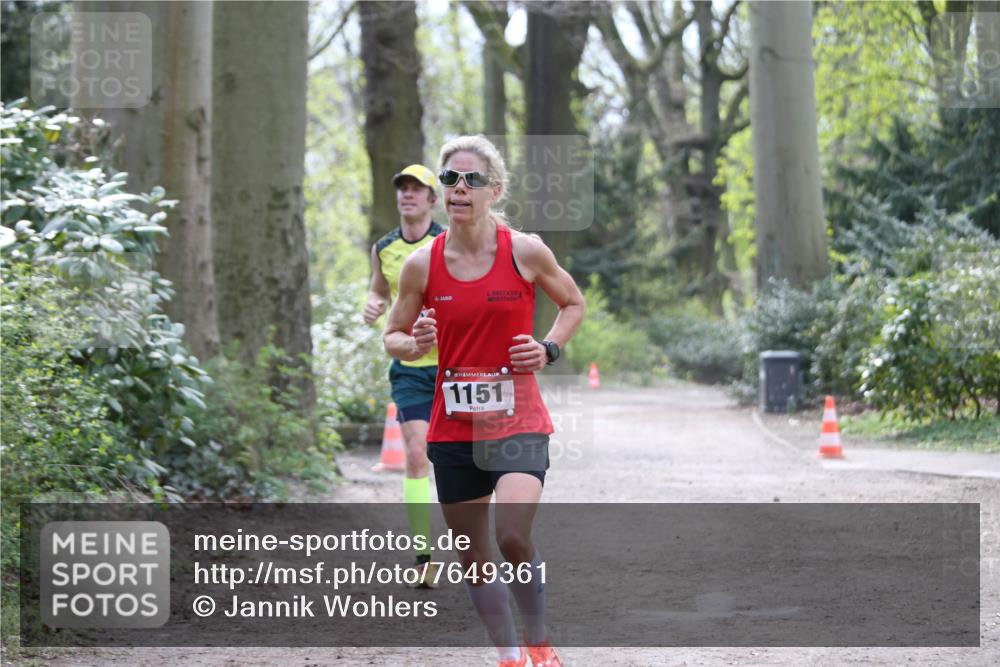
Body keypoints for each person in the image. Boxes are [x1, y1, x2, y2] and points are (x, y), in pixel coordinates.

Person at [384, 136, 585, 667]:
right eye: (450, 178)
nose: (459, 188)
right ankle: (510, 656)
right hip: (454, 427)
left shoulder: (525, 251)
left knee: (513, 536)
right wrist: (415, 344)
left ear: (494, 190)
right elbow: (393, 335)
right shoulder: (421, 265)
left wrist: (547, 348)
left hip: (518, 421)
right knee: (473, 558)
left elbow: (572, 302)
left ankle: (539, 640)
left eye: (471, 179)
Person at [364, 163, 446, 587]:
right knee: (416, 456)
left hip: (455, 367)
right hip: (411, 367)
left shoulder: (448, 243)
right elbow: (379, 289)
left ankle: (476, 548)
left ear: (433, 199)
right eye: (402, 188)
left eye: (417, 189)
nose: (408, 195)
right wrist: (373, 303)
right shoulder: (384, 247)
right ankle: (423, 556)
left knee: (461, 462)